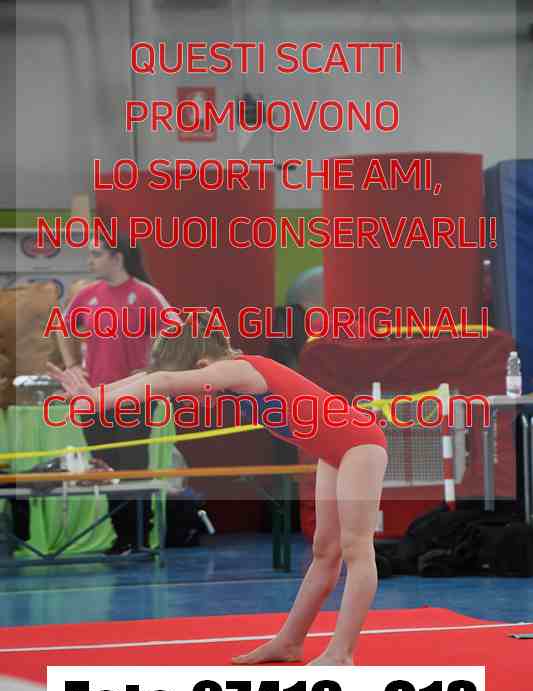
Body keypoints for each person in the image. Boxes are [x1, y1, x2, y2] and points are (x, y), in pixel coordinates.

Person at [49, 311, 388, 665]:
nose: (187, 397)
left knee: (355, 548)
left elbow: (164, 380)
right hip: (334, 450)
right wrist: (96, 393)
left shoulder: (240, 370)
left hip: (359, 444)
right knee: (325, 551)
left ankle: (342, 653)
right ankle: (289, 643)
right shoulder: (228, 373)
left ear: (203, 366)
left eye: (191, 388)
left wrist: (99, 402)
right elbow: (152, 376)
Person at [55, 236, 180, 555]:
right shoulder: (87, 295)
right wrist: (72, 365)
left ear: (117, 257)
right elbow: (62, 328)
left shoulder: (146, 294)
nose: (90, 260)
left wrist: (154, 367)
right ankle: (121, 537)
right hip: (94, 399)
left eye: (96, 254)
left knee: (133, 468)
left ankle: (139, 537)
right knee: (107, 469)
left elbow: (178, 334)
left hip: (134, 398)